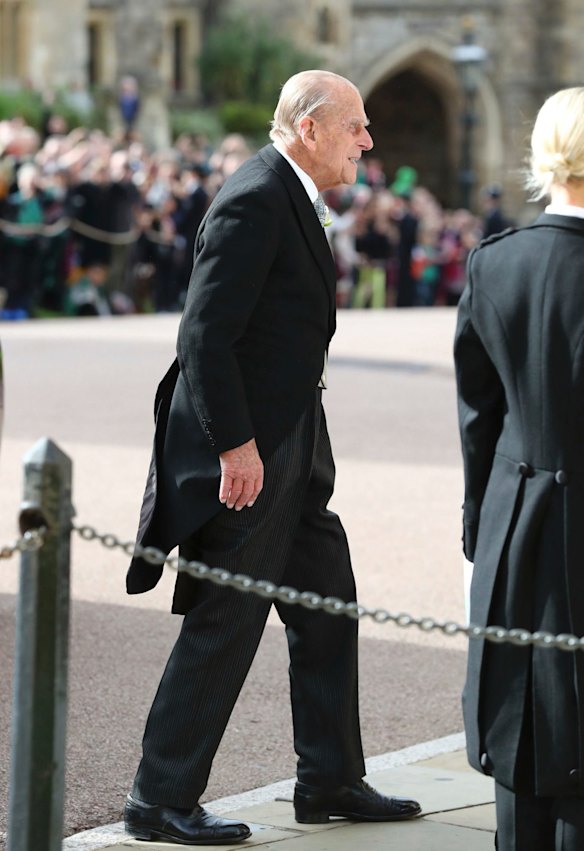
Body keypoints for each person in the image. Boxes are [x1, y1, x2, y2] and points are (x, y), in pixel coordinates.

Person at [124, 69, 421, 846]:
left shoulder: (291, 193)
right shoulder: (256, 195)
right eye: (355, 125)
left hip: (295, 440)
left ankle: (329, 777)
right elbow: (204, 336)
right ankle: (158, 799)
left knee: (328, 602)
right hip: (251, 448)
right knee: (227, 618)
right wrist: (236, 445)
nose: (367, 140)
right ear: (308, 128)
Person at [454, 86, 584, 851]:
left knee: (522, 721)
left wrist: (482, 521)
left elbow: (479, 419)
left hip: (516, 510)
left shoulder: (495, 266)